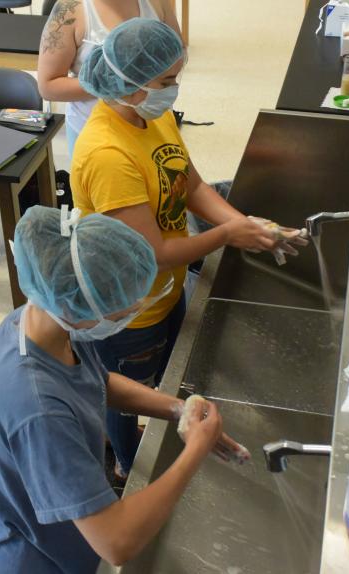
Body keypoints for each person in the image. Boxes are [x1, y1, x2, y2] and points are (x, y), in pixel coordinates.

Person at [71, 18, 308, 478]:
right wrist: (226, 236)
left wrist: (245, 223)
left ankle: (140, 435)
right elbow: (155, 252)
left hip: (165, 289)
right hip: (130, 311)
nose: (174, 90)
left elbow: (191, 184)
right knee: (125, 397)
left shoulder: (150, 115)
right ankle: (125, 465)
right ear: (130, 84)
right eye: (166, 81)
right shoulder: (107, 154)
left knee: (161, 373)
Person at [0, 205, 245, 572]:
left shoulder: (40, 322)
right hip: (34, 560)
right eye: (121, 311)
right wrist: (195, 449)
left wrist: (177, 409)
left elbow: (94, 381)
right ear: (77, 307)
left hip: (52, 531)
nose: (129, 313)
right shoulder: (38, 409)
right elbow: (117, 541)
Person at [37, 0, 182, 158]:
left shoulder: (157, 3)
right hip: (96, 133)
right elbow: (48, 86)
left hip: (154, 122)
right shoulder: (70, 9)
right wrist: (110, 83)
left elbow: (176, 54)